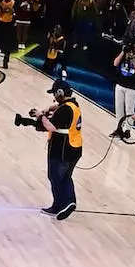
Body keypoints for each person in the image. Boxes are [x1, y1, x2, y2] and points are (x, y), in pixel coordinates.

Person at [35, 79, 84, 219]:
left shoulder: (65, 109)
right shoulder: (73, 105)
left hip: (62, 149)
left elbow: (50, 126)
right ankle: (70, 202)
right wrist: (50, 108)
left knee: (55, 176)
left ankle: (59, 205)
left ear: (60, 92)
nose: (54, 97)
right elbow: (59, 107)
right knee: (65, 177)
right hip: (75, 148)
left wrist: (41, 115)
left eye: (55, 94)